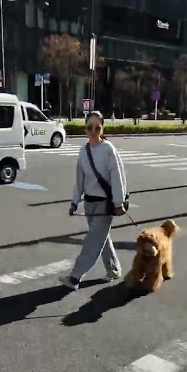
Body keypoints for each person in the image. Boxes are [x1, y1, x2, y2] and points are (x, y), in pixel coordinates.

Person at [62, 111, 128, 290]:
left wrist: (119, 203)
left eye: (97, 128)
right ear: (85, 129)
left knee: (92, 240)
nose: (93, 131)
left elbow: (117, 177)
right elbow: (80, 180)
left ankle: (75, 277)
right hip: (89, 203)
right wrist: (74, 202)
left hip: (106, 204)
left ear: (102, 129)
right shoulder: (83, 151)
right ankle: (113, 269)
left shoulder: (108, 150)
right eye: (90, 127)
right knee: (100, 237)